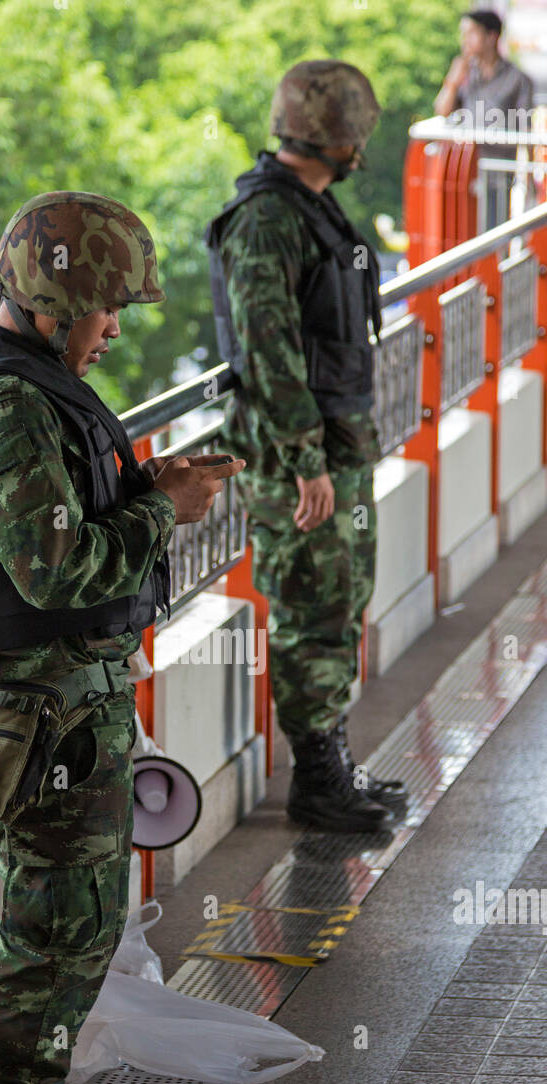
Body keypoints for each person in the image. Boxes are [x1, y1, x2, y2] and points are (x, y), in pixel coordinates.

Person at [0, 191, 243, 1084]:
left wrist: (145, 481)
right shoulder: (3, 406)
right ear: (54, 305)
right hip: (41, 716)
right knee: (49, 934)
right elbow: (52, 571)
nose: (111, 331)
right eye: (105, 311)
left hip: (65, 709)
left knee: (73, 927)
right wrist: (161, 508)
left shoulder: (30, 387)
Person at [205, 59, 408, 835]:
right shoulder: (266, 220)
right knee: (309, 615)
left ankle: (336, 767)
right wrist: (303, 459)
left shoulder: (309, 210)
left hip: (335, 448)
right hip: (305, 463)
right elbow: (267, 351)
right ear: (340, 138)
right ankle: (318, 783)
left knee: (340, 606)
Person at [434, 10, 535, 228]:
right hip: (462, 171)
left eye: (471, 33)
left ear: (491, 37)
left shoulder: (518, 79)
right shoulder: (465, 74)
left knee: (494, 232)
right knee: (460, 230)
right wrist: (452, 81)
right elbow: (442, 111)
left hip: (498, 173)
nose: (465, 40)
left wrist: (531, 178)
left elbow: (526, 130)